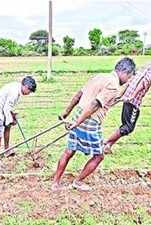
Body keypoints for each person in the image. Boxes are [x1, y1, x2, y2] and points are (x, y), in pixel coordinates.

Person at [52, 57, 136, 191]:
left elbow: (79, 94)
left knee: (69, 151)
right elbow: (95, 104)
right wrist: (78, 122)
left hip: (78, 114)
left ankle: (55, 183)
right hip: (89, 120)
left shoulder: (99, 77)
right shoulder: (113, 85)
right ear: (124, 72)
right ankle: (78, 182)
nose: (128, 80)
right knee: (99, 155)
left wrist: (67, 112)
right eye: (129, 76)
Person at [103, 56, 151, 154]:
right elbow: (144, 82)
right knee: (128, 127)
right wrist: (133, 95)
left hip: (129, 96)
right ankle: (105, 143)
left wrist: (123, 94)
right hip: (133, 100)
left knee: (126, 126)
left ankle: (108, 146)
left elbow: (133, 78)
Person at [0, 76, 37, 155]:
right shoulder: (14, 92)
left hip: (2, 109)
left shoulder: (17, 89)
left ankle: (7, 151)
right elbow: (6, 108)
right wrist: (11, 120)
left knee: (8, 126)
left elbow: (8, 107)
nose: (28, 93)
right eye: (29, 91)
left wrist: (12, 115)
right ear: (26, 86)